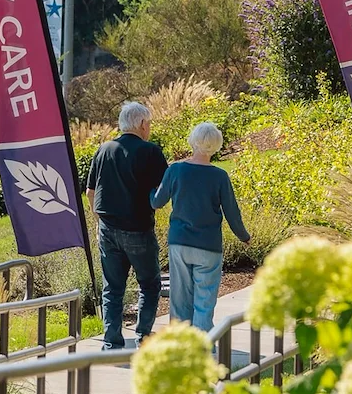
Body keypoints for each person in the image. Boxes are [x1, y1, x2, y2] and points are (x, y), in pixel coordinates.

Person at [150, 121, 249, 332]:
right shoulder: (220, 176)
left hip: (180, 242)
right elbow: (232, 212)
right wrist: (244, 236)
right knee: (204, 301)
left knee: (179, 299)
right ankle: (204, 347)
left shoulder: (175, 170)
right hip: (209, 245)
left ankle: (181, 345)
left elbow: (157, 202)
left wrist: (150, 190)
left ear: (193, 141)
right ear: (216, 145)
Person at [85, 101, 169, 349]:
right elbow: (162, 194)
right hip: (138, 229)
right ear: (142, 124)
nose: (150, 128)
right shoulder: (150, 152)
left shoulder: (104, 149)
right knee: (150, 284)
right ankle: (143, 334)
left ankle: (112, 341)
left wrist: (98, 219)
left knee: (113, 288)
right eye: (149, 123)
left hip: (107, 228)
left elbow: (90, 191)